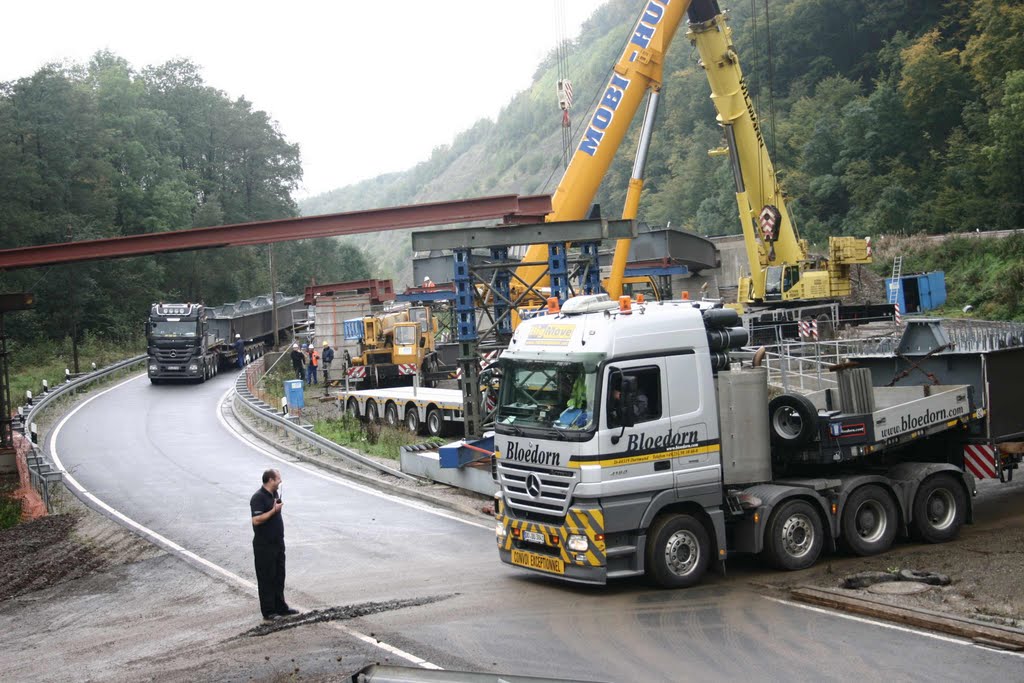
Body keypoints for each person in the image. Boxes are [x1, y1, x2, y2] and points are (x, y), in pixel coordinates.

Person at [250, 469, 298, 621]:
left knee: (279, 576)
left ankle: (280, 607)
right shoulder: (258, 498)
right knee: (266, 578)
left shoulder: (274, 494)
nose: (280, 482)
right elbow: (256, 520)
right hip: (264, 545)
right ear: (270, 480)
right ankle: (269, 611)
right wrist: (273, 511)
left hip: (278, 543)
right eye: (278, 479)